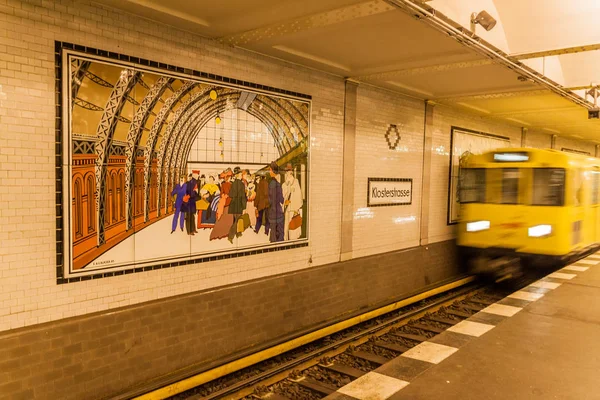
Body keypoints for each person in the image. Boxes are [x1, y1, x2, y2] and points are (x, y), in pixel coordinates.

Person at [282, 163, 303, 240]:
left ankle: (292, 240)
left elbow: (298, 195)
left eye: (289, 171)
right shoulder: (284, 184)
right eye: (287, 171)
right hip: (287, 208)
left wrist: (296, 208)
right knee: (286, 227)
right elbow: (282, 196)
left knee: (293, 227)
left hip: (293, 208)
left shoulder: (296, 182)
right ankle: (285, 241)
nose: (288, 172)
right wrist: (284, 203)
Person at [228, 166, 248, 243]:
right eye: (240, 174)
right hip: (239, 204)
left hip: (233, 204)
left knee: (235, 220)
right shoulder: (242, 184)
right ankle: (230, 236)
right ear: (238, 175)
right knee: (237, 220)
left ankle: (238, 233)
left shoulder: (233, 184)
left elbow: (230, 194)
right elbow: (243, 197)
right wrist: (244, 207)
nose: (241, 175)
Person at [267, 162, 284, 242]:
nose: (269, 172)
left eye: (270, 170)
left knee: (273, 235)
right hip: (279, 212)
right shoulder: (278, 184)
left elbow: (270, 200)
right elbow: (281, 199)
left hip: (272, 213)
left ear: (273, 171)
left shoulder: (271, 184)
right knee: (280, 235)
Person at [185, 170, 199, 235]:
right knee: (189, 216)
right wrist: (196, 192)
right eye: (197, 175)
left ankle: (193, 229)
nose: (198, 176)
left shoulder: (194, 182)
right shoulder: (192, 182)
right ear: (194, 175)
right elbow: (191, 193)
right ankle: (189, 231)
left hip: (192, 202)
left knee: (192, 216)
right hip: (189, 202)